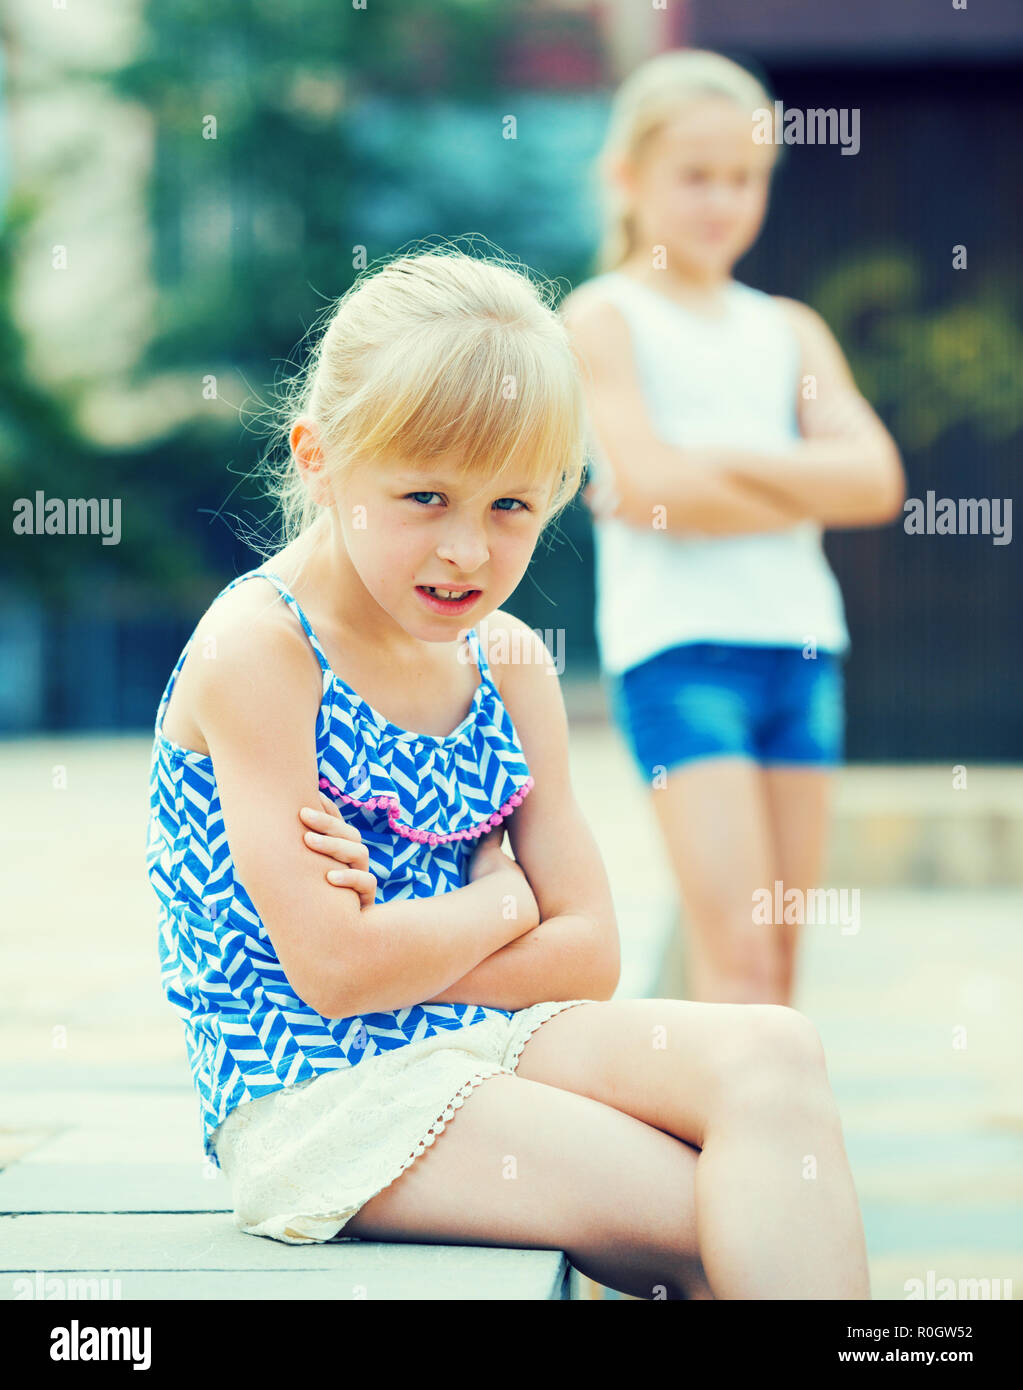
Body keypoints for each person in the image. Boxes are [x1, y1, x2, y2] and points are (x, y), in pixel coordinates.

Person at [146, 246, 871, 1299]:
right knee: (727, 1209)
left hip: (483, 1038)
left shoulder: (509, 661)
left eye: (512, 508)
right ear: (319, 457)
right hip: (322, 1091)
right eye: (427, 496)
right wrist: (503, 905)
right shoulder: (264, 648)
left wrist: (422, 937)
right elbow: (334, 975)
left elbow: (590, 952)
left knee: (776, 1054)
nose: (467, 555)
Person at [561, 50, 904, 1008]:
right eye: (696, 176)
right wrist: (802, 483)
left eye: (745, 178)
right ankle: (719, 1156)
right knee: (738, 960)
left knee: (782, 967)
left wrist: (708, 464)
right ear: (628, 180)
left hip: (800, 655)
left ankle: (756, 1148)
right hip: (679, 659)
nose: (724, 200)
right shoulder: (604, 318)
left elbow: (875, 480)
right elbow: (651, 486)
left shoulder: (788, 330)